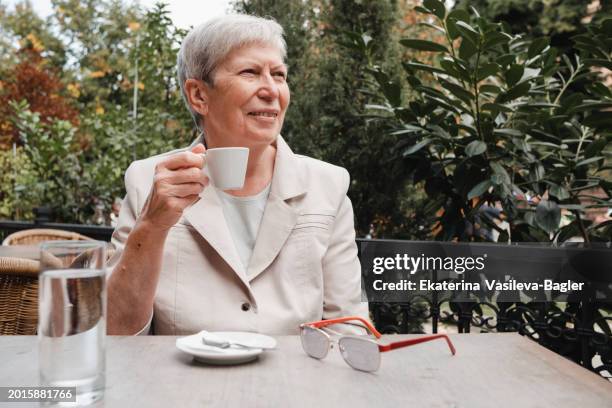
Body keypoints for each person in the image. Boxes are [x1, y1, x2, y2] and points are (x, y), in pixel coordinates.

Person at [107, 14, 369, 335]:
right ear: (199, 95)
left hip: (295, 381)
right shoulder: (147, 182)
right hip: (181, 382)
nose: (272, 90)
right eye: (251, 72)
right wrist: (151, 226)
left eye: (279, 75)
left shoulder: (328, 185)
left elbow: (348, 327)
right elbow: (116, 332)